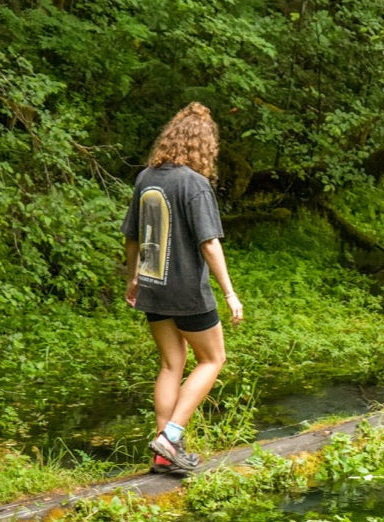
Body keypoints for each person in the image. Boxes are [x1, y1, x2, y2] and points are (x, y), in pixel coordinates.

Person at [121, 102, 243, 474]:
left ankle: (163, 454)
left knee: (171, 364)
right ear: (205, 146)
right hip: (188, 291)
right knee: (213, 359)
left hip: (154, 288)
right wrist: (229, 293)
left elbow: (131, 237)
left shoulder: (147, 177)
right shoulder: (194, 183)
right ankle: (171, 436)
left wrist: (133, 277)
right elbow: (209, 243)